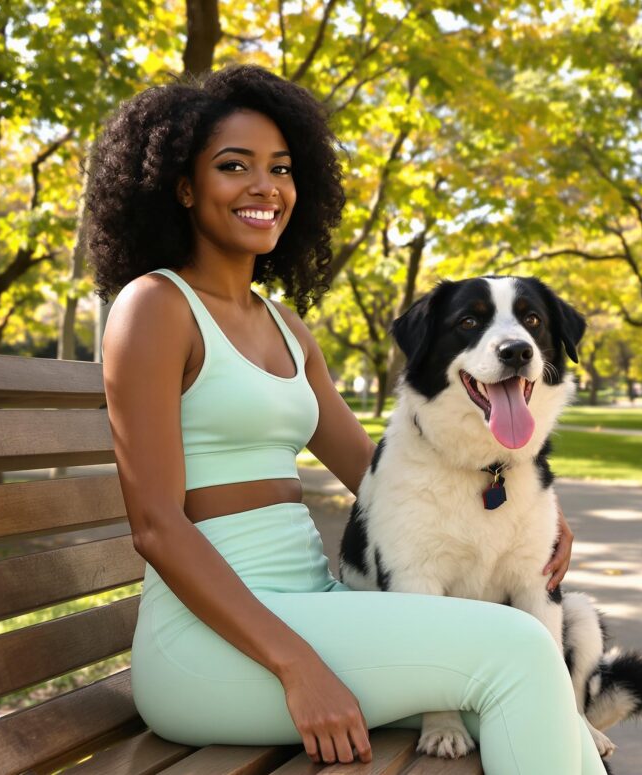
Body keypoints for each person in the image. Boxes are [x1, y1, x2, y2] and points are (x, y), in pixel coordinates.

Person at [87, 64, 605, 774]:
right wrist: (296, 664)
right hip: (209, 642)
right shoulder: (155, 307)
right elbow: (155, 525)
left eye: (281, 167)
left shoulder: (286, 327)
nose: (264, 185)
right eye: (234, 166)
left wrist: (524, 503)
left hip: (315, 606)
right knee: (513, 651)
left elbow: (381, 475)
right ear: (182, 185)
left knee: (526, 652)